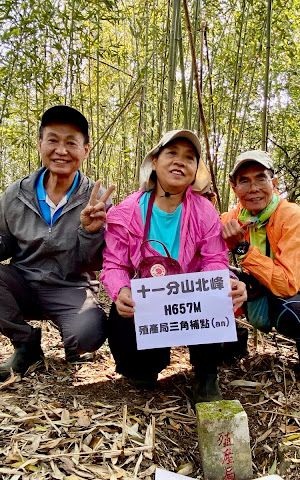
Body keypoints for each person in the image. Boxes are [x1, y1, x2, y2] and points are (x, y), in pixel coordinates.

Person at [0, 105, 114, 381]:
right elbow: (3, 241)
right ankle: (26, 345)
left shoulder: (96, 199)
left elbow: (95, 262)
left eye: (71, 143)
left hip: (70, 288)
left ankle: (74, 341)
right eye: (53, 140)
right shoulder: (17, 193)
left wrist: (89, 231)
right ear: (40, 144)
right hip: (22, 282)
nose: (61, 150)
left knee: (88, 336)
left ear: (85, 150)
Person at [101, 130, 247, 403]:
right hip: (149, 302)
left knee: (215, 294)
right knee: (138, 369)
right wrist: (120, 290)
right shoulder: (126, 211)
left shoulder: (205, 212)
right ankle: (148, 363)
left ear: (195, 171)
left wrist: (210, 289)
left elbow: (215, 260)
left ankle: (206, 372)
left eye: (189, 158)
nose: (180, 162)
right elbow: (114, 263)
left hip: (189, 302)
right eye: (171, 154)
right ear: (154, 161)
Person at [221, 150, 300, 374]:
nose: (253, 189)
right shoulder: (234, 218)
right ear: (234, 188)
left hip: (297, 292)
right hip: (254, 287)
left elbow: (287, 284)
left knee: (296, 313)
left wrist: (241, 249)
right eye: (244, 181)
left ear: (274, 182)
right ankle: (232, 343)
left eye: (260, 178)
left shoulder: (291, 216)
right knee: (214, 281)